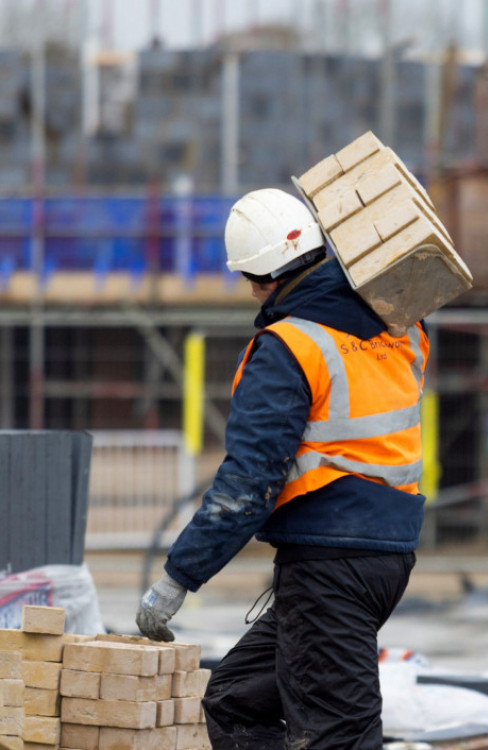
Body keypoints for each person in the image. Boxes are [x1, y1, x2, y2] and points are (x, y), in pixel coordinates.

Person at [136, 187, 429, 750]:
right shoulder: (400, 329)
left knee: (337, 737)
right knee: (237, 697)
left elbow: (248, 483)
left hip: (331, 569)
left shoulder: (290, 345)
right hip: (385, 556)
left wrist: (177, 579)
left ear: (263, 279)